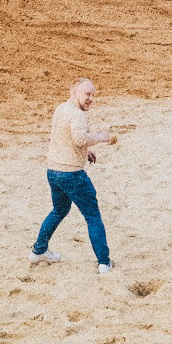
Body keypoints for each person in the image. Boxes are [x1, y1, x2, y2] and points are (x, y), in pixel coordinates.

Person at [30, 77, 117, 274]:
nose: (91, 99)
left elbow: (64, 137)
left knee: (58, 211)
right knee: (93, 217)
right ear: (74, 93)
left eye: (93, 95)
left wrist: (85, 152)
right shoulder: (77, 114)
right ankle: (104, 263)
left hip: (53, 172)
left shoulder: (61, 109)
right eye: (87, 94)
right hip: (72, 174)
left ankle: (39, 250)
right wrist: (101, 137)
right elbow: (79, 138)